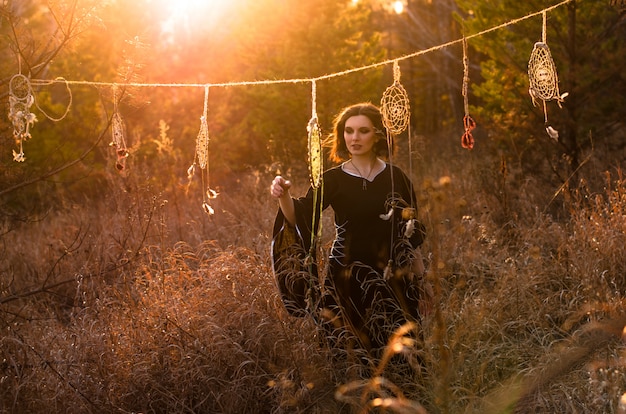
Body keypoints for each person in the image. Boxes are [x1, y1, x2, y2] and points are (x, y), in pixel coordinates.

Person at [270, 102, 426, 361]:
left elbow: (412, 234)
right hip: (345, 277)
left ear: (377, 135)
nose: (355, 138)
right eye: (349, 131)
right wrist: (283, 194)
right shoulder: (332, 179)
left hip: (392, 277)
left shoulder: (396, 178)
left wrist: (421, 282)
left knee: (402, 353)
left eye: (363, 131)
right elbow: (300, 215)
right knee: (351, 354)